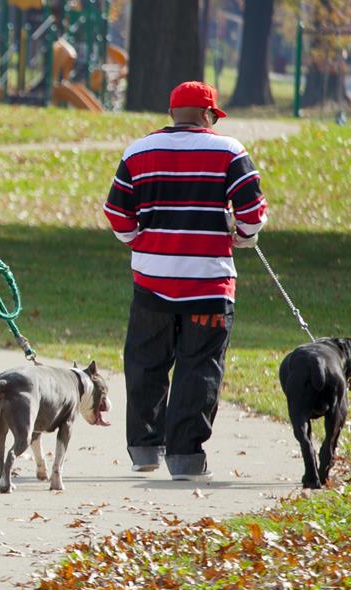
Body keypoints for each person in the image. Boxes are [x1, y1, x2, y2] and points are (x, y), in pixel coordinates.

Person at [102, 81, 269, 482]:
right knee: (200, 368)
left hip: (151, 281)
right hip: (208, 286)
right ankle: (185, 457)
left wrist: (139, 241)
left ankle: (144, 447)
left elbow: (117, 214)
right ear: (208, 114)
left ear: (173, 111)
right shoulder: (230, 151)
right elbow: (253, 213)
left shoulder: (138, 150)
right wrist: (241, 237)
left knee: (146, 363)